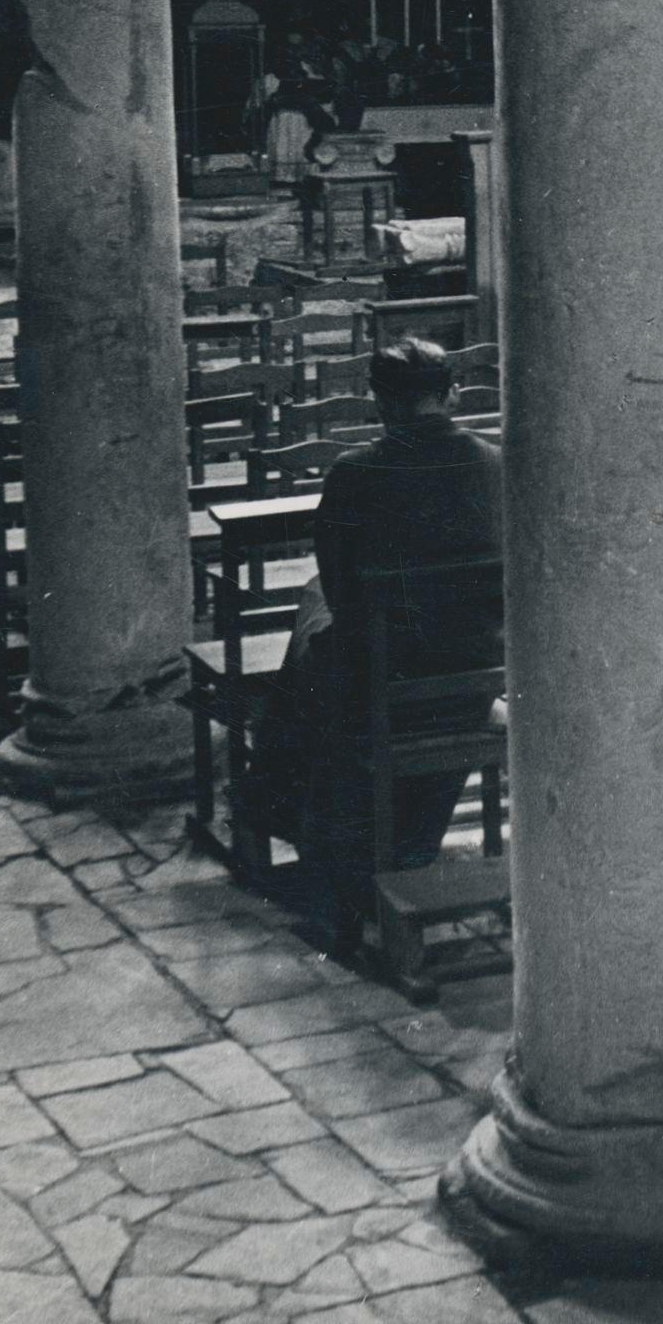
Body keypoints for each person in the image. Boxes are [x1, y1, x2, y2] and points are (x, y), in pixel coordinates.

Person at [290, 338, 504, 948]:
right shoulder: (493, 465)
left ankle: (326, 845)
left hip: (390, 692)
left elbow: (338, 587)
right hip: (477, 681)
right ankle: (402, 846)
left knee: (313, 629)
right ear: (453, 394)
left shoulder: (355, 476)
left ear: (378, 403)